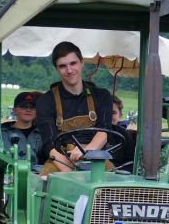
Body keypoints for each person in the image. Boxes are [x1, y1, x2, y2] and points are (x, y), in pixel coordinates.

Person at [36, 42, 113, 175]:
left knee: (121, 190)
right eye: (62, 66)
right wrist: (70, 174)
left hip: (96, 157)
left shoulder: (102, 95)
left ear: (82, 63)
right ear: (56, 69)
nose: (69, 70)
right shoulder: (46, 101)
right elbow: (49, 144)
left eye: (73, 63)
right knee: (41, 187)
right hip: (60, 159)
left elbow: (105, 131)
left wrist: (87, 151)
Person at [0, 91, 42, 164]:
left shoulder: (42, 133)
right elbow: (6, 156)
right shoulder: (4, 132)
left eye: (32, 107)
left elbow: (47, 158)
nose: (28, 110)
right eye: (24, 106)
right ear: (15, 110)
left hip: (38, 173)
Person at [110, 94, 135, 166]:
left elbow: (131, 160)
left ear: (120, 116)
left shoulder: (123, 134)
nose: (109, 115)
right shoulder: (90, 132)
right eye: (107, 111)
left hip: (116, 172)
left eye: (113, 113)